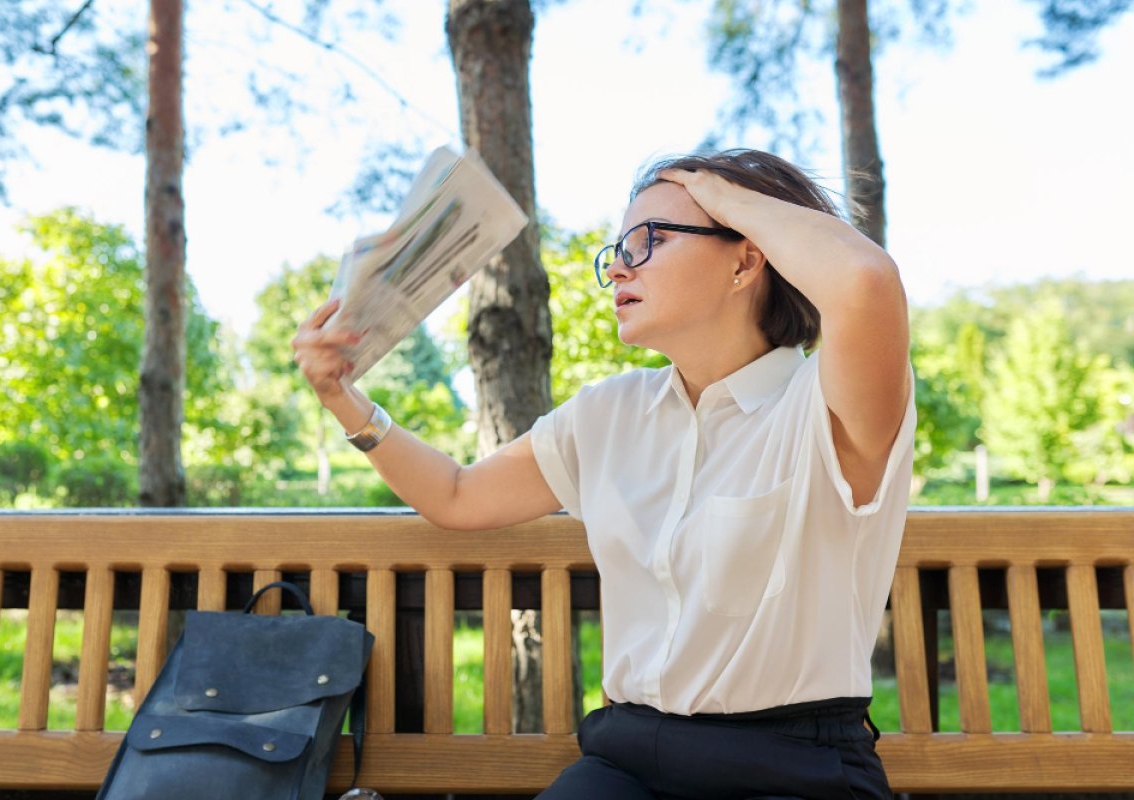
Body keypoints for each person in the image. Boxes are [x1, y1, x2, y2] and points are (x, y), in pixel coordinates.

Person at [293, 148, 916, 800]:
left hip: (793, 769)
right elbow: (457, 495)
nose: (617, 266)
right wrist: (344, 398)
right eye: (618, 247)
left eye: (649, 240)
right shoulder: (609, 412)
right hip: (628, 762)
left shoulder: (830, 404)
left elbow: (866, 280)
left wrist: (716, 190)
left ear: (747, 258)